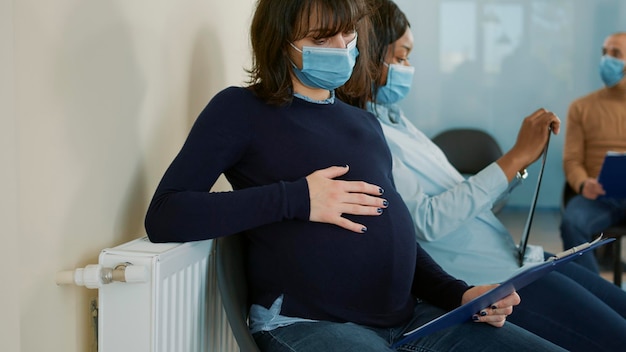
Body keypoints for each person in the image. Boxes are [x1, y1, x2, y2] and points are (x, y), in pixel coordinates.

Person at [143, 1, 566, 351]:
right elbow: (166, 214)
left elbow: (394, 231)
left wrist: (459, 294)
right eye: (320, 39)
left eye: (347, 35)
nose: (341, 47)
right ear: (279, 43)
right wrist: (298, 198)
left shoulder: (363, 123)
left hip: (410, 318)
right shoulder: (240, 110)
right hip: (308, 324)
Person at [350, 0, 626, 351]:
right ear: (369, 57)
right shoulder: (367, 136)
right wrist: (513, 157)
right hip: (493, 282)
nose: (408, 68)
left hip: (519, 261)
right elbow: (427, 221)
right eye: (401, 57)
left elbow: (461, 195)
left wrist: (519, 164)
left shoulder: (394, 119)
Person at [561, 31, 626, 273]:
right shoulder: (581, 107)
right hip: (597, 196)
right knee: (572, 223)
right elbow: (572, 159)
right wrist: (582, 183)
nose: (607, 59)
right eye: (605, 52)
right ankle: (598, 295)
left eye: (616, 53)